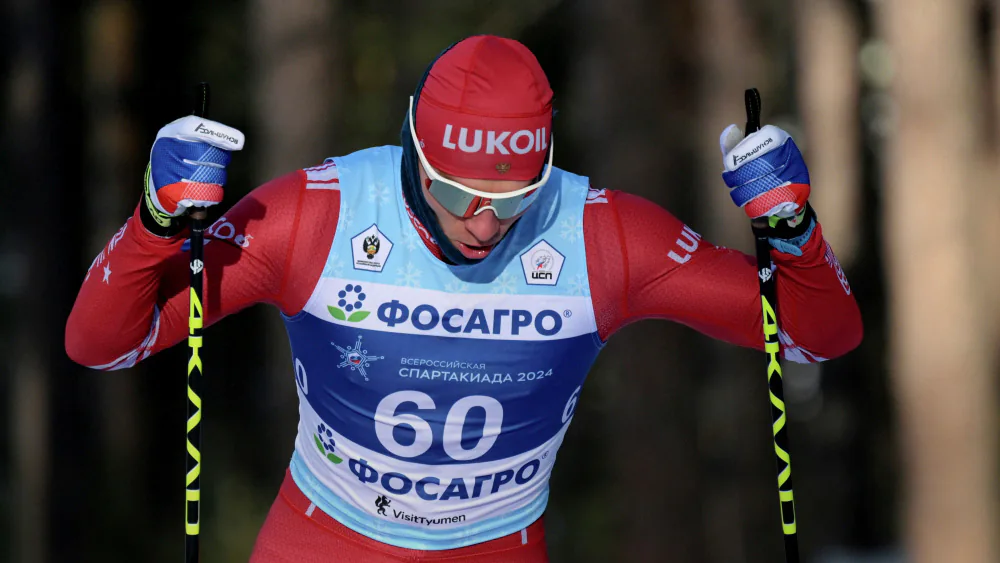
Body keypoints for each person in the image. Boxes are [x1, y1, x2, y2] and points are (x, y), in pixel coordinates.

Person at [65, 35, 862, 562]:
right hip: (324, 538)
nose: (483, 224)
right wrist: (157, 222)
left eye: (513, 200)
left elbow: (818, 335)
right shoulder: (318, 215)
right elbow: (101, 343)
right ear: (414, 150)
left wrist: (792, 229)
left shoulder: (600, 234)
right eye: (455, 193)